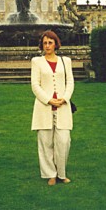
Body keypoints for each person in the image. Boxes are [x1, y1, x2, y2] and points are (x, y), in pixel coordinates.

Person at [31, 30, 75, 186]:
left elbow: (70, 82)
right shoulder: (36, 61)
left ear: (56, 44)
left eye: (50, 42)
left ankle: (62, 174)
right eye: (45, 43)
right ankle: (50, 174)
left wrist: (65, 98)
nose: (47, 45)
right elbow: (35, 85)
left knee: (64, 142)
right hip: (44, 108)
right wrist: (49, 100)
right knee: (45, 142)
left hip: (63, 106)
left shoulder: (66, 61)